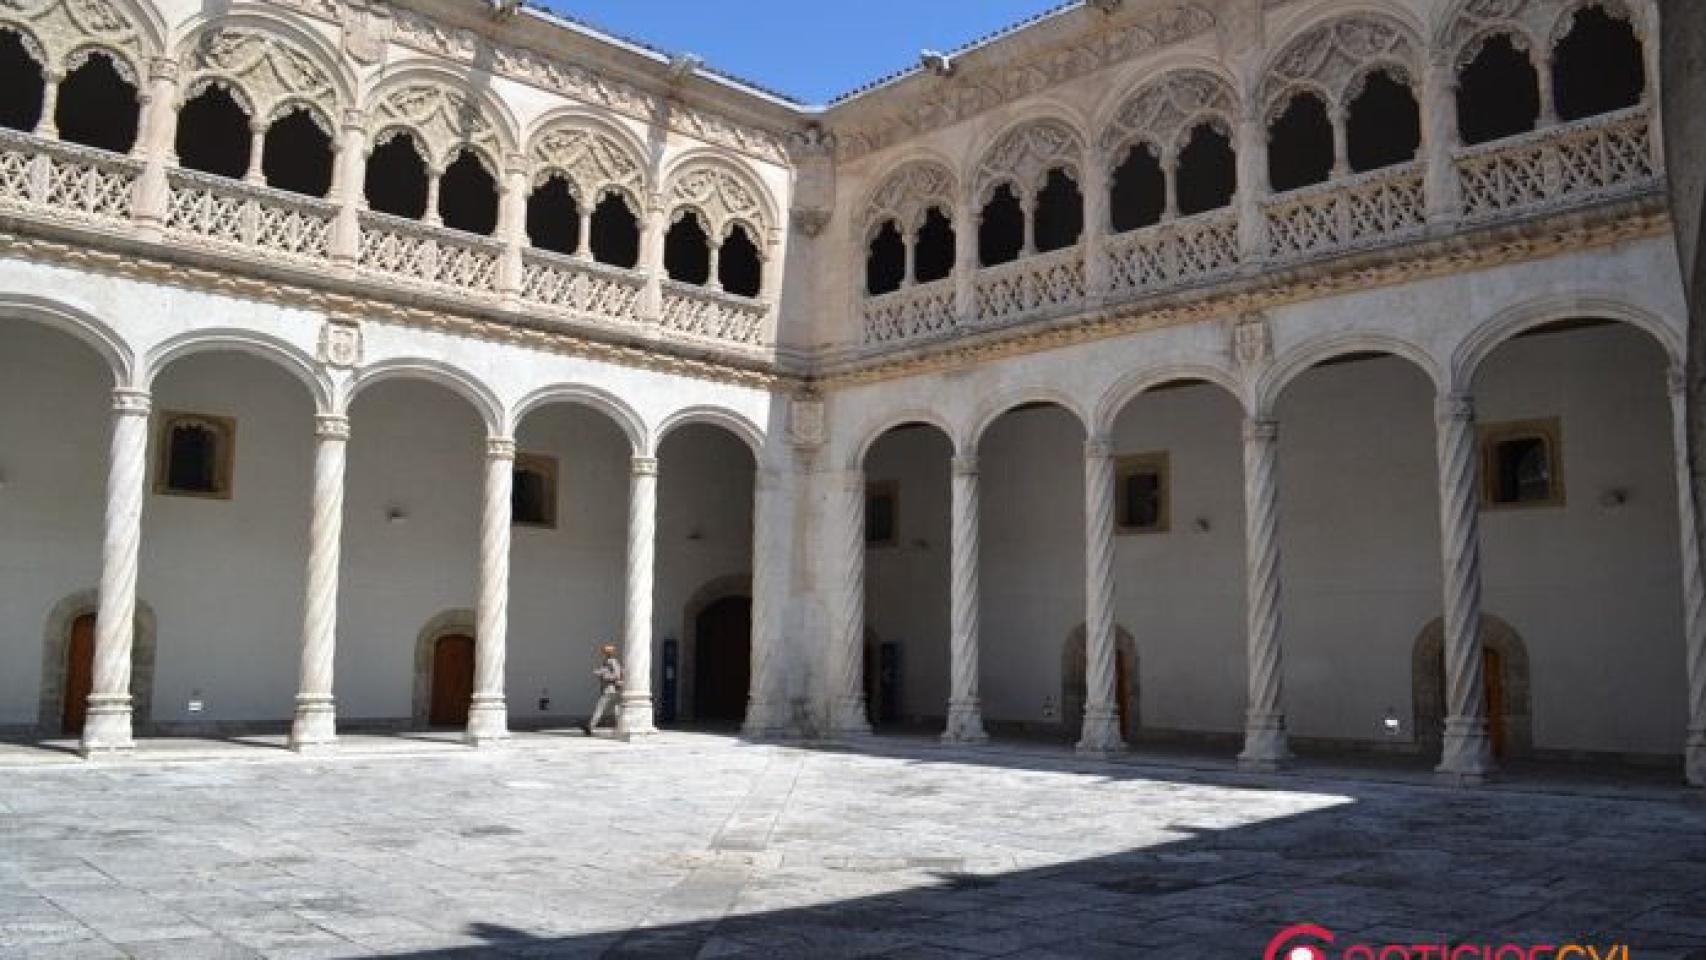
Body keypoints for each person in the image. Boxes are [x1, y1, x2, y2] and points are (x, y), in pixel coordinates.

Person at [584, 644, 623, 734]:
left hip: (610, 689)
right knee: (616, 709)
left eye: (605, 651)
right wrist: (600, 672)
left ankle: (590, 726)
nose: (604, 653)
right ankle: (621, 726)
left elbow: (617, 675)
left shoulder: (612, 662)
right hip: (612, 689)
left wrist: (603, 675)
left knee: (600, 708)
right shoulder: (607, 661)